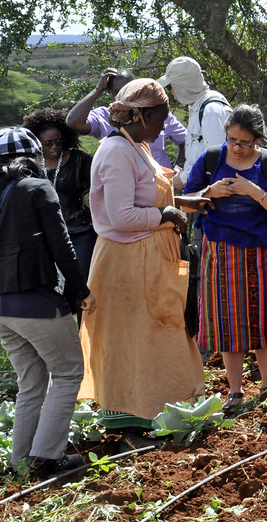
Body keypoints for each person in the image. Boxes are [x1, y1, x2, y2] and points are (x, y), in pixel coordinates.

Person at [78, 78, 210, 438]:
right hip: (127, 265)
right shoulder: (116, 151)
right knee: (137, 339)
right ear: (139, 115)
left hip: (149, 260)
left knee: (160, 333)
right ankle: (134, 417)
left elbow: (147, 198)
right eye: (160, 119)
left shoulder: (138, 145)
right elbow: (121, 216)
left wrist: (184, 203)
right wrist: (166, 215)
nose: (164, 126)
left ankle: (164, 408)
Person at [0, 128, 96, 477]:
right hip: (36, 303)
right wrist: (80, 291)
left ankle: (20, 463)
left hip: (0, 308)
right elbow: (63, 246)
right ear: (33, 157)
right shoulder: (38, 188)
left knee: (31, 382)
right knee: (68, 371)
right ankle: (45, 459)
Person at [185, 105, 267, 411]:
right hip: (220, 254)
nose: (236, 147)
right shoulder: (211, 159)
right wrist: (210, 191)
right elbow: (185, 203)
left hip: (262, 252)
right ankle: (234, 391)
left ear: (257, 140)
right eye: (232, 139)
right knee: (227, 323)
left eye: (244, 143)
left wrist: (253, 191)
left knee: (264, 322)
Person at [21, 109, 96, 282]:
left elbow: (97, 193)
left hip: (79, 231)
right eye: (48, 143)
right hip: (43, 234)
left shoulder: (80, 160)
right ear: (38, 142)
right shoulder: (29, 165)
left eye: (58, 142)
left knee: (80, 281)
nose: (54, 146)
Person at [67, 67, 187, 171]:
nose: (124, 95)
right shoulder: (102, 116)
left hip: (161, 187)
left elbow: (186, 140)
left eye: (128, 89)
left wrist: (178, 169)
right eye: (116, 92)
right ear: (109, 94)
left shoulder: (156, 114)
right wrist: (98, 89)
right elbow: (73, 122)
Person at [157, 57, 232, 189]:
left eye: (171, 87)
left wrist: (183, 178)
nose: (171, 92)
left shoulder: (211, 110)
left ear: (183, 86)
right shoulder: (198, 106)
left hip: (213, 193)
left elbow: (215, 159)